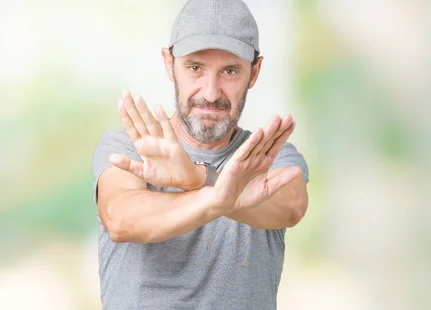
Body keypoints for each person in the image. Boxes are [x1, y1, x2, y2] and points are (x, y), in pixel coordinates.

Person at [91, 0, 309, 308]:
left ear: (254, 72)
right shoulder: (131, 146)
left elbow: (290, 207)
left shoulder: (270, 156)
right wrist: (221, 196)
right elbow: (121, 219)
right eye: (195, 68)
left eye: (230, 71)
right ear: (169, 64)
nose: (210, 92)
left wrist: (196, 178)